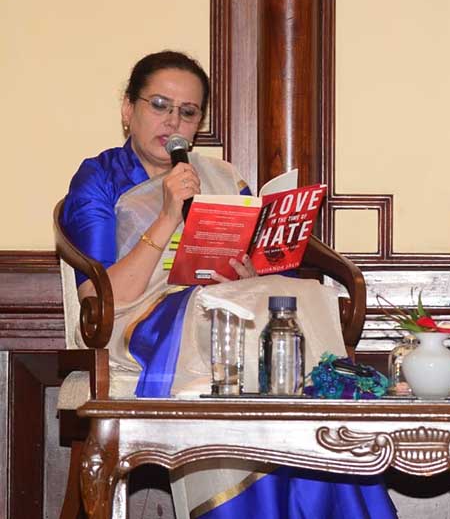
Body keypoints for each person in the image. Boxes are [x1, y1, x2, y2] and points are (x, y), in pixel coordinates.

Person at [61, 51, 396, 518]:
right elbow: (101, 300)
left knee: (297, 295)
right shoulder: (99, 180)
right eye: (159, 105)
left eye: (188, 111)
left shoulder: (220, 177)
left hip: (230, 305)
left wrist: (253, 272)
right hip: (140, 325)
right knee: (241, 316)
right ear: (127, 109)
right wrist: (167, 216)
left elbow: (254, 267)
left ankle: (328, 440)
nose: (172, 121)